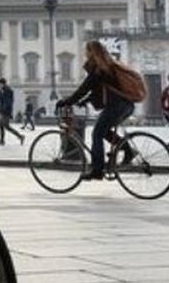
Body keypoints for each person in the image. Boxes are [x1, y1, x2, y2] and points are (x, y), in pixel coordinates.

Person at [55, 40, 148, 181]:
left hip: (116, 106)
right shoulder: (109, 66)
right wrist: (84, 101)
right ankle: (128, 150)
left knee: (97, 134)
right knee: (103, 131)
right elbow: (99, 90)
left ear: (92, 53)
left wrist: (66, 101)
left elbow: (84, 88)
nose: (85, 54)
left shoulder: (99, 70)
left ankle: (97, 170)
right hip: (126, 105)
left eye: (87, 51)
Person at [0, 78, 23, 146]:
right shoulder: (2, 90)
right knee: (2, 125)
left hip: (6, 111)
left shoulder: (8, 90)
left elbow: (9, 101)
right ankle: (2, 140)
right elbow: (1, 100)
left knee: (5, 126)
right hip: (3, 110)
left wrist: (5, 109)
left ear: (2, 83)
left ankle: (20, 136)